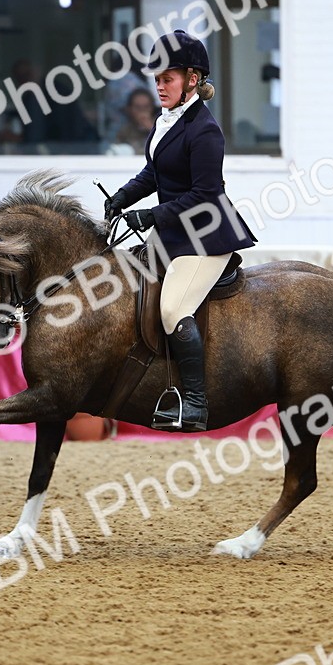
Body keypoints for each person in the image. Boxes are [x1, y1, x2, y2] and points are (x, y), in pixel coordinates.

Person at [104, 30, 258, 432]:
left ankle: (195, 403)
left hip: (206, 235)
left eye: (167, 78)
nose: (159, 85)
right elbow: (155, 173)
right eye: (156, 78)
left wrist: (151, 217)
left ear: (192, 79)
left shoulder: (204, 130)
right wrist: (122, 198)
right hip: (175, 233)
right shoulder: (164, 121)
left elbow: (204, 194)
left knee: (172, 308)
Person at [114, 89, 158, 154]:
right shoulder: (124, 131)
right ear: (130, 109)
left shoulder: (161, 126)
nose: (142, 111)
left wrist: (152, 129)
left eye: (146, 107)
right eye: (138, 107)